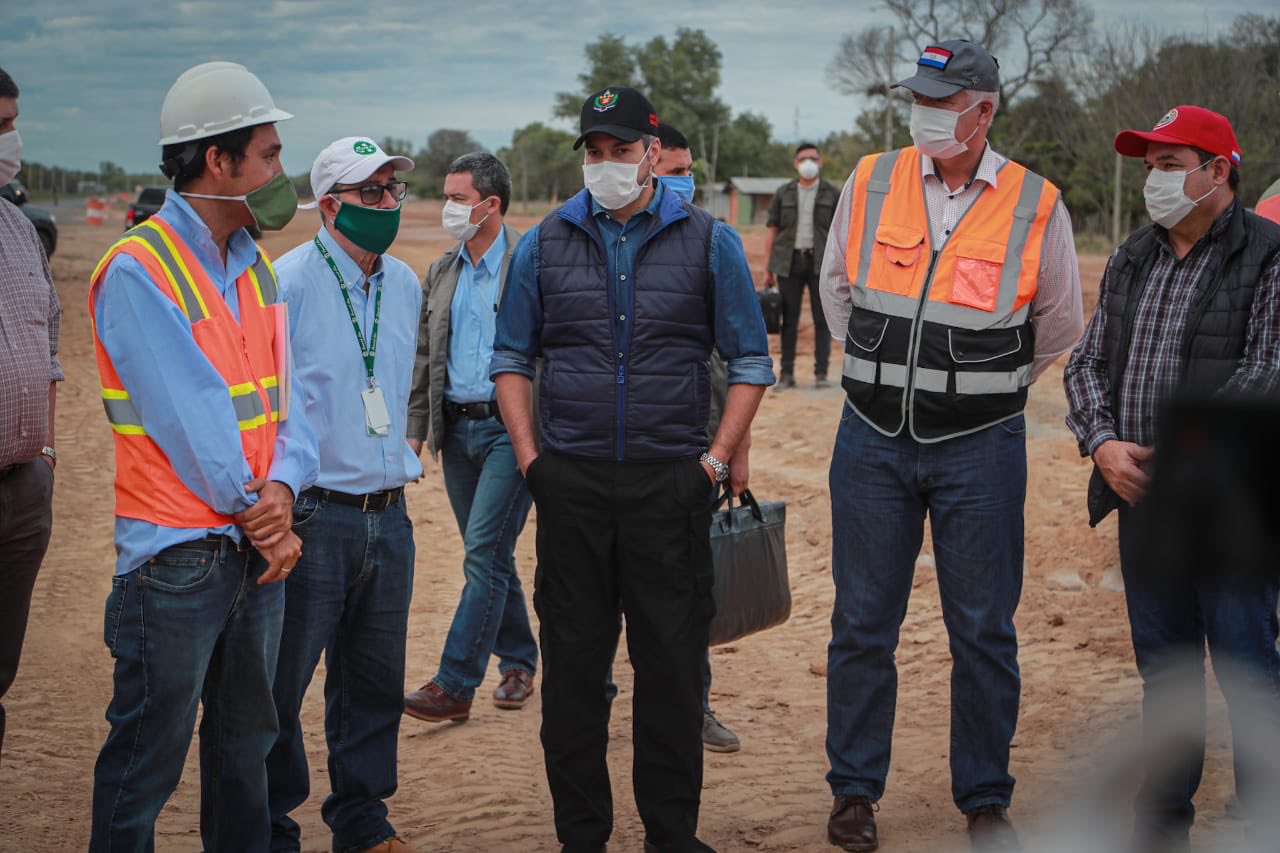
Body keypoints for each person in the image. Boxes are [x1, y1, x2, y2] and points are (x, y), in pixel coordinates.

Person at [491, 86, 773, 852]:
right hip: (572, 489)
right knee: (575, 683)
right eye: (593, 150)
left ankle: (670, 837)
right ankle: (582, 835)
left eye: (620, 149)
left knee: (672, 677)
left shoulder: (709, 242)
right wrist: (531, 461)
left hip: (669, 490)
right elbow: (511, 359)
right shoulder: (544, 243)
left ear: (653, 152)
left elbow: (750, 360)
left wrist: (712, 462)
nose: (606, 163)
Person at [819, 40, 1083, 852]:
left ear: (985, 110)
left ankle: (984, 795)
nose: (925, 113)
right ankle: (855, 791)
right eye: (919, 98)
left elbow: (1060, 325)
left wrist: (977, 387)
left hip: (981, 448)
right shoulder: (869, 179)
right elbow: (837, 287)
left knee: (982, 628)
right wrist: (881, 375)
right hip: (870, 441)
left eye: (941, 100)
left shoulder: (1038, 203)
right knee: (863, 623)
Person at [88, 61, 316, 852]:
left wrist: (287, 482)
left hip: (251, 553)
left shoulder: (255, 267)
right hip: (176, 561)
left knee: (245, 750)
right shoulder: (138, 269)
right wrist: (269, 522)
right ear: (218, 162)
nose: (282, 173)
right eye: (270, 154)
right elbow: (195, 423)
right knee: (145, 762)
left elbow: (291, 404)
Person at [1063, 105, 1280, 851]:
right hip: (1140, 497)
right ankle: (1162, 825)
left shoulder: (1269, 254)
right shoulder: (1132, 256)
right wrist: (1102, 444)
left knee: (1250, 661)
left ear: (1218, 171)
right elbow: (1086, 361)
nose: (1154, 180)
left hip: (1234, 503)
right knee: (1167, 669)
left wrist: (1184, 452)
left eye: (1168, 164)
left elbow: (1266, 370)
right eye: (1149, 166)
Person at [266, 137, 421, 853]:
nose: (389, 204)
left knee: (373, 683)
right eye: (372, 193)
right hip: (314, 514)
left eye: (393, 190)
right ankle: (272, 824)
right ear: (329, 205)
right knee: (282, 684)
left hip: (390, 518)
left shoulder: (408, 284)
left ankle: (362, 822)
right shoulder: (285, 282)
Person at [403, 152, 538, 723]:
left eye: (458, 198)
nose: (447, 208)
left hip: (514, 430)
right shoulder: (442, 270)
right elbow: (425, 354)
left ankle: (455, 684)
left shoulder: (532, 263)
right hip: (455, 431)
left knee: (483, 551)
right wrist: (414, 433)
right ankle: (520, 659)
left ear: (491, 205)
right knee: (489, 554)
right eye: (447, 196)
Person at [654, 121, 742, 755]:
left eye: (686, 172)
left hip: (698, 447)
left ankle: (695, 705)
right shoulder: (584, 238)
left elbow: (744, 362)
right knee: (601, 591)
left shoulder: (717, 242)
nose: (680, 183)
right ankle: (600, 695)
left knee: (689, 588)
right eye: (669, 172)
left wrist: (735, 450)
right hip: (614, 451)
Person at [0, 65, 61, 768]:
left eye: (11, 121)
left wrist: (43, 456)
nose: (11, 139)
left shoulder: (17, 227)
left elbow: (49, 345)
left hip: (20, 491)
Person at [763, 142, 840, 389]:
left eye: (813, 158)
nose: (809, 163)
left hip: (822, 263)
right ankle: (786, 374)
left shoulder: (833, 193)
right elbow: (772, 229)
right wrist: (768, 268)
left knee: (822, 319)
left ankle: (821, 374)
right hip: (789, 262)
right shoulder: (783, 193)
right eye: (804, 158)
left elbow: (843, 230)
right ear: (795, 163)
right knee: (789, 319)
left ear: (820, 162)